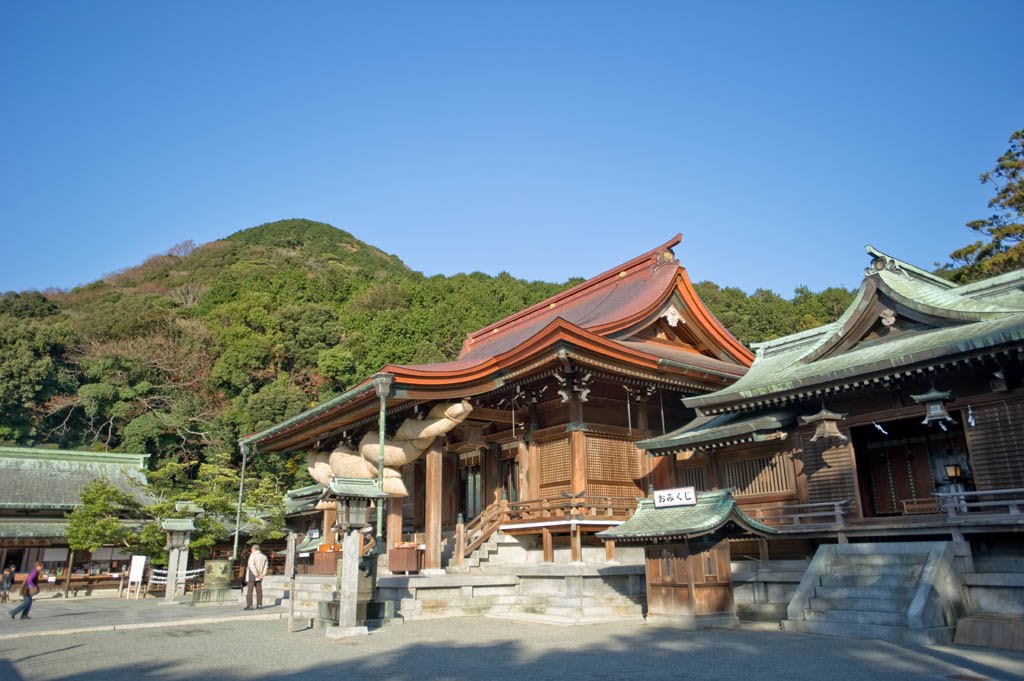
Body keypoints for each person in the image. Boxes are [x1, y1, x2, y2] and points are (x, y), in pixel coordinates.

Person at [244, 544, 268, 610]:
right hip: (260, 575)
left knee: (250, 591)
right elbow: (266, 567)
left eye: (251, 549)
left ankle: (250, 605)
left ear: (253, 549)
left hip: (252, 575)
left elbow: (251, 565)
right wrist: (263, 574)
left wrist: (256, 574)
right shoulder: (264, 556)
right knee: (259, 590)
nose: (251, 550)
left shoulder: (253, 555)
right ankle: (259, 604)